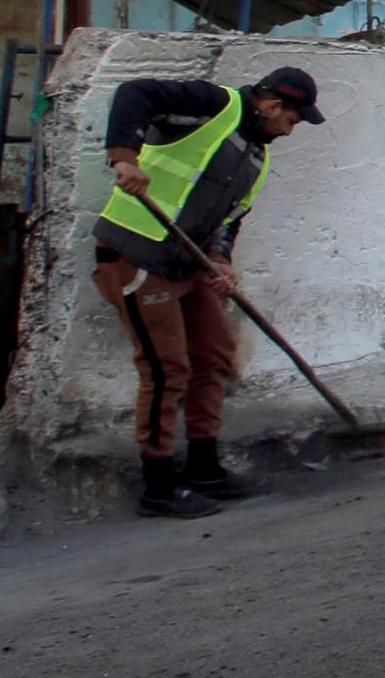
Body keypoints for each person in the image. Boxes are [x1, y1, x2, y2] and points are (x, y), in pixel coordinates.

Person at [94, 65, 324, 519]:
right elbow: (135, 91)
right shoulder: (214, 105)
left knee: (216, 353)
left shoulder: (257, 157)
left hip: (186, 264)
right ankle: (158, 487)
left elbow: (229, 221)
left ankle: (204, 469)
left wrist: (220, 262)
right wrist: (124, 157)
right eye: (292, 121)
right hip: (135, 255)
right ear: (273, 105)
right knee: (166, 369)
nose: (289, 131)